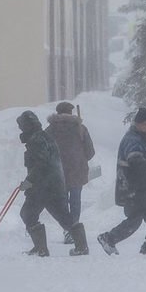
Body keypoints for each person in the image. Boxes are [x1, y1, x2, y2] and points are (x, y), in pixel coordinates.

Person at [97, 107, 146, 256]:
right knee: (139, 218)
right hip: (134, 187)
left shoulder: (141, 139)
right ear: (138, 123)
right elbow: (136, 162)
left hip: (143, 187)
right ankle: (110, 238)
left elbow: (145, 166)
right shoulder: (132, 140)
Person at [16, 110, 88, 257]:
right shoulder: (45, 136)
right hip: (56, 185)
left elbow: (41, 164)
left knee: (27, 214)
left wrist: (29, 182)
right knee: (64, 217)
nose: (20, 129)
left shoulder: (36, 140)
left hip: (43, 187)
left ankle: (40, 249)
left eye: (21, 126)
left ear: (26, 126)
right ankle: (82, 246)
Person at [45, 101, 96, 243]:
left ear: (58, 113)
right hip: (76, 171)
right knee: (75, 201)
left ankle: (67, 229)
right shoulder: (80, 128)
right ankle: (74, 229)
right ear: (71, 112)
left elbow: (43, 151)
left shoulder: (50, 130)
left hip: (57, 171)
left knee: (62, 202)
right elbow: (90, 152)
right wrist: (79, 157)